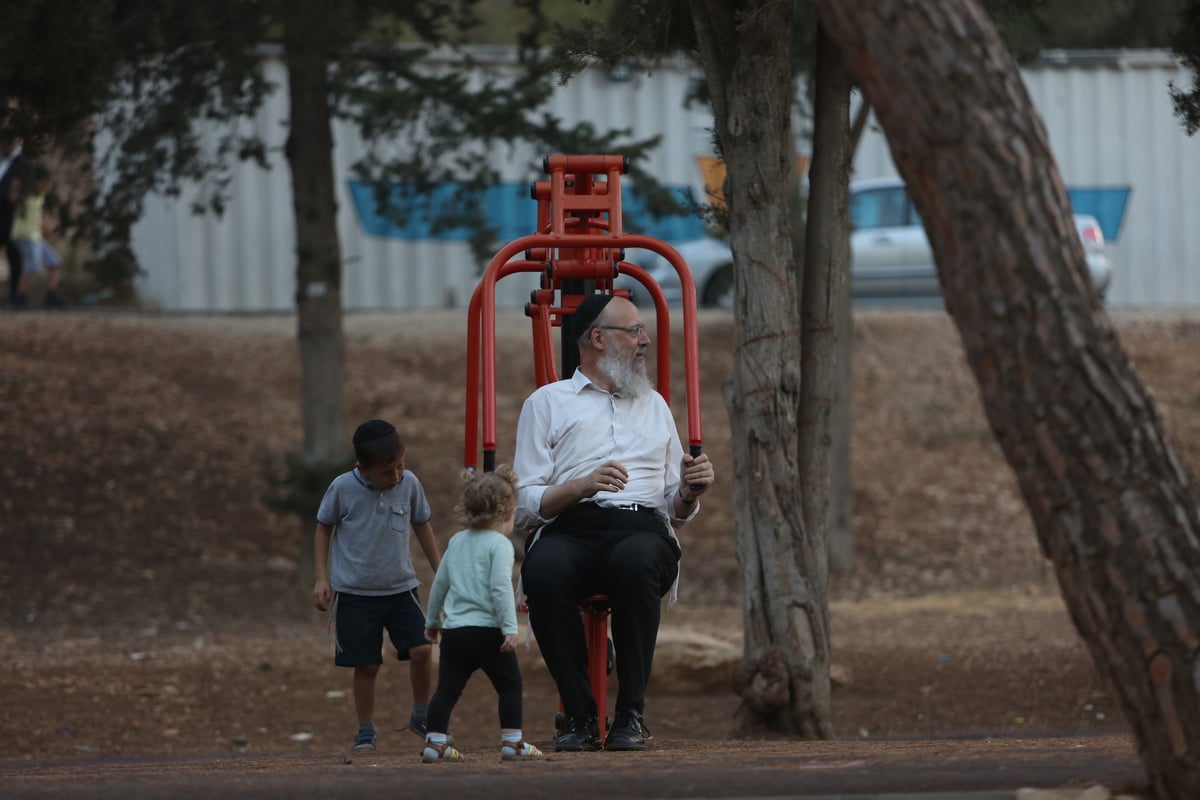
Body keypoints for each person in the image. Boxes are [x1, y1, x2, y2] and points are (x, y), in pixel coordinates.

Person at [513, 293, 716, 752]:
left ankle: (630, 715)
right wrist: (580, 486)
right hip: (570, 525)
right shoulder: (546, 403)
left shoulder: (655, 406)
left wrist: (689, 491)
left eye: (644, 330)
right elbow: (524, 505)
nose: (645, 341)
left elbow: (673, 512)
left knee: (636, 559)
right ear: (598, 339)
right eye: (634, 331)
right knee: (543, 571)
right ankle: (581, 718)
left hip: (640, 527)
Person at [312, 419, 443, 755]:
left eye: (400, 466)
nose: (396, 476)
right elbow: (323, 528)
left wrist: (441, 571)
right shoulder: (342, 488)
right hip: (355, 594)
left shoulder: (410, 483)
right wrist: (322, 578)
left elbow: (422, 526)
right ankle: (365, 732)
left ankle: (422, 715)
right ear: (363, 469)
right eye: (387, 472)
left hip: (402, 589)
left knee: (423, 649)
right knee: (367, 665)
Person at [420, 465, 544, 764]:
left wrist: (433, 622)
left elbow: (440, 585)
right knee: (510, 686)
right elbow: (500, 587)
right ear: (506, 514)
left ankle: (435, 744)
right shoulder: (500, 545)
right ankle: (512, 743)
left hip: (456, 633)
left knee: (446, 690)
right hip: (488, 632)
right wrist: (509, 627)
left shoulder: (457, 541)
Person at [11, 163, 64, 308]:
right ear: (39, 182)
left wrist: (45, 227)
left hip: (36, 237)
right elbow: (15, 198)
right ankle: (19, 299)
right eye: (46, 183)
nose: (48, 186)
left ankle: (51, 296)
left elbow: (38, 216)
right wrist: (15, 188)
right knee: (32, 267)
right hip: (25, 236)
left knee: (55, 262)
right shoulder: (26, 194)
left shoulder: (40, 197)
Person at [0, 134, 30, 306]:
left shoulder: (22, 164)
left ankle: (16, 297)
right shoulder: (3, 162)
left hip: (11, 218)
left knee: (15, 258)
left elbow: (18, 194)